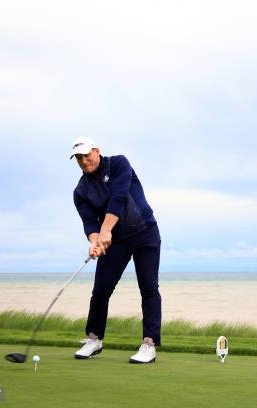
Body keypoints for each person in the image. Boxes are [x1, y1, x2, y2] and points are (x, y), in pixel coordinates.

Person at [70, 136, 161, 364]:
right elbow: (90, 223)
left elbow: (118, 198)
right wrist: (94, 241)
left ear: (97, 151)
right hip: (116, 241)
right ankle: (94, 339)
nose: (83, 161)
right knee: (101, 289)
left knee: (148, 288)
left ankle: (149, 344)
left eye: (86, 155)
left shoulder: (119, 164)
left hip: (144, 232)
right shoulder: (80, 191)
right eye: (78, 158)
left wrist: (105, 231)